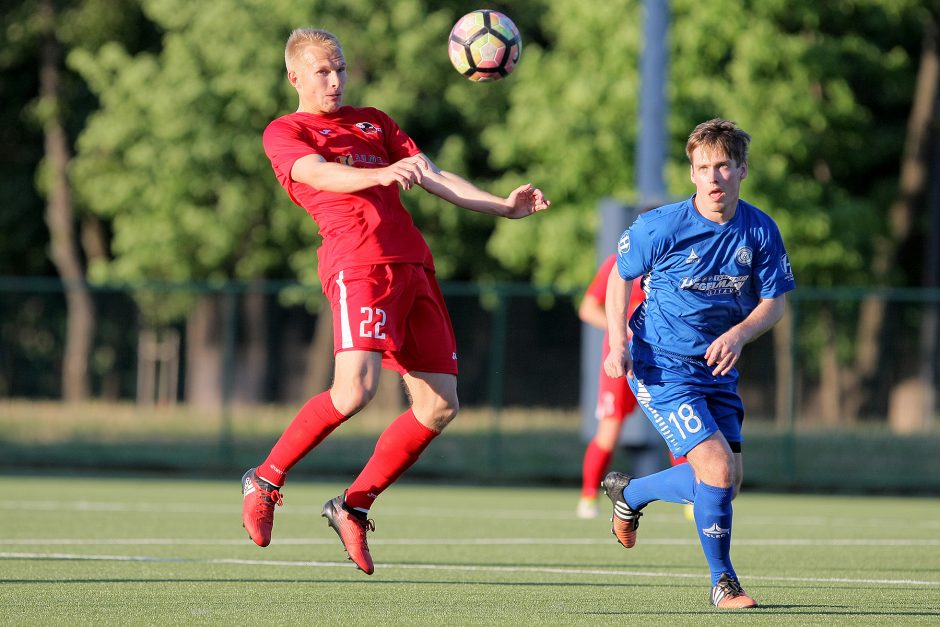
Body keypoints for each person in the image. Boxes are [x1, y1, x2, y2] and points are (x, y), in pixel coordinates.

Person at [242, 28, 550, 575]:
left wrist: (501, 207)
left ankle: (352, 507)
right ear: (294, 76)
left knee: (439, 405)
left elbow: (428, 172)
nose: (335, 79)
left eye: (339, 68)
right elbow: (317, 173)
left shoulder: (373, 121)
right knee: (355, 390)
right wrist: (380, 172)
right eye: (322, 71)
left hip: (414, 267)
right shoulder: (286, 131)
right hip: (358, 265)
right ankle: (265, 478)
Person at [601, 118, 794, 608]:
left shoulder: (761, 229)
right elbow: (619, 278)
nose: (713, 178)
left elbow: (773, 303)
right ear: (691, 174)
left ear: (742, 170)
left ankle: (632, 493)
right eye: (703, 168)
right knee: (716, 470)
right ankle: (723, 583)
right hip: (661, 366)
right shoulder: (661, 226)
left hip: (718, 370)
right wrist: (616, 342)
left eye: (723, 166)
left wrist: (739, 333)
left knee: (728, 481)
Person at [576, 254, 688, 519]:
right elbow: (588, 308)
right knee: (610, 430)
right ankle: (589, 496)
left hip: (664, 359)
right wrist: (623, 329)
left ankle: (690, 498)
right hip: (623, 356)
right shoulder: (621, 261)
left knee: (679, 427)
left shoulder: (679, 260)